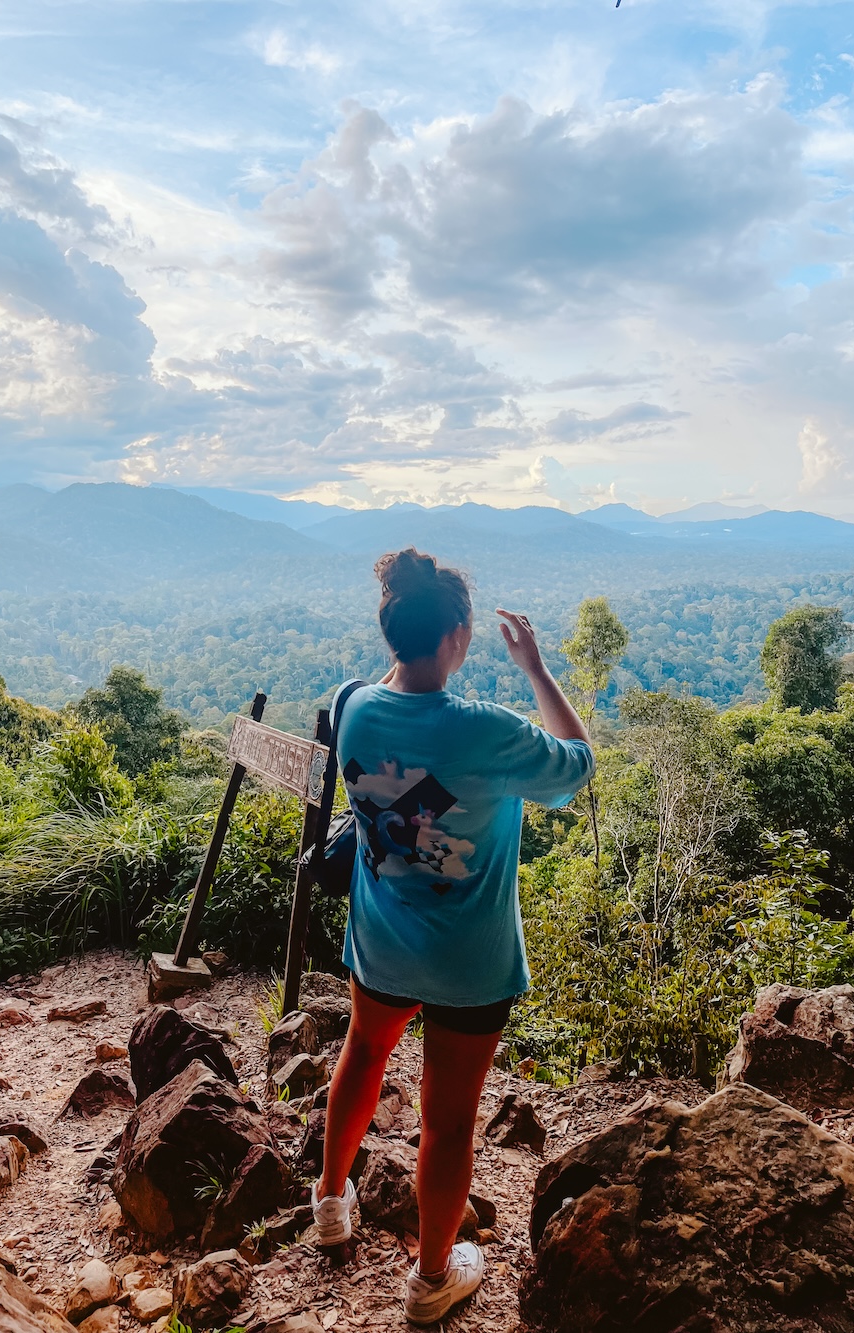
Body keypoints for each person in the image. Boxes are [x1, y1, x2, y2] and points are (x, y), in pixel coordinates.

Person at [311, 547, 594, 1326]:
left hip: (382, 941)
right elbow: (577, 766)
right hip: (469, 963)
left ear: (392, 629)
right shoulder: (486, 734)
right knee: (448, 1120)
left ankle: (330, 1204)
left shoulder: (354, 705)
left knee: (361, 1055)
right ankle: (432, 1276)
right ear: (459, 635)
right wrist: (536, 668)